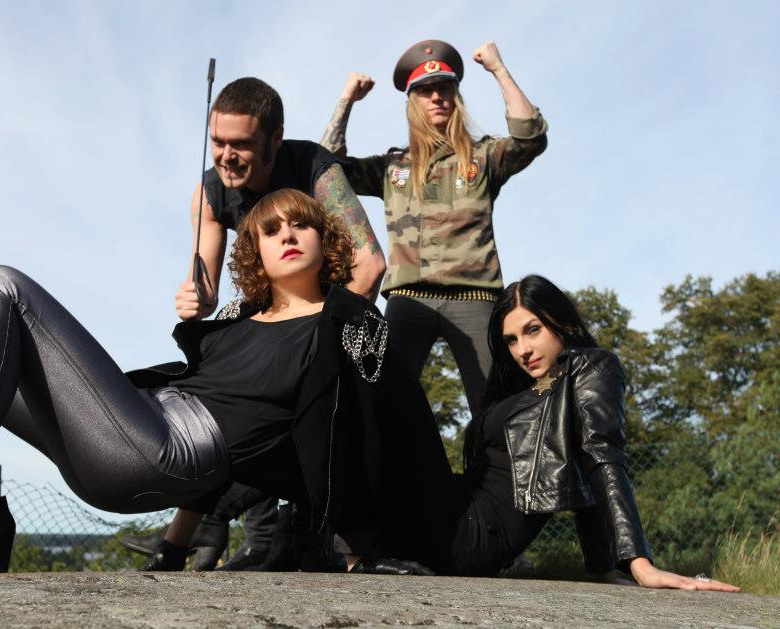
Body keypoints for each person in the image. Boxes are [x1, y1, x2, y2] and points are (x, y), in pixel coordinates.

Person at [0, 190, 407, 576]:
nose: (286, 235)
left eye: (300, 225)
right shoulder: (236, 321)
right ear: (255, 252)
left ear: (325, 240)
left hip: (168, 450)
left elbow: (358, 435)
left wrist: (356, 548)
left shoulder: (344, 323)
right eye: (270, 229)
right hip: (129, 427)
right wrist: (173, 549)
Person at [154, 76, 387, 571]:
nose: (226, 156)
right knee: (213, 382)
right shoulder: (210, 192)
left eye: (240, 144)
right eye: (217, 141)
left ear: (274, 139)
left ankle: (351, 551)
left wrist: (324, 342)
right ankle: (176, 545)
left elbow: (369, 267)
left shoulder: (314, 167)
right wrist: (195, 298)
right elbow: (207, 289)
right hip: (270, 310)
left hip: (329, 315)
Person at [392, 274, 739, 590]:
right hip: (453, 506)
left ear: (564, 322)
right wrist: (602, 566)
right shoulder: (516, 388)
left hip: (472, 536)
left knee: (384, 369)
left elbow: (600, 458)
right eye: (511, 340)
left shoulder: (588, 368)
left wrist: (637, 564)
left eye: (533, 330)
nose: (522, 350)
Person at [321, 40, 546, 420]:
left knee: (498, 410)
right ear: (413, 102)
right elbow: (328, 171)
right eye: (426, 91)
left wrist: (498, 69)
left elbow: (530, 137)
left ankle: (494, 462)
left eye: (444, 88)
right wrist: (347, 100)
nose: (437, 97)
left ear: (456, 97)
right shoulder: (392, 167)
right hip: (409, 299)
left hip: (476, 296)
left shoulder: (483, 157)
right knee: (382, 402)